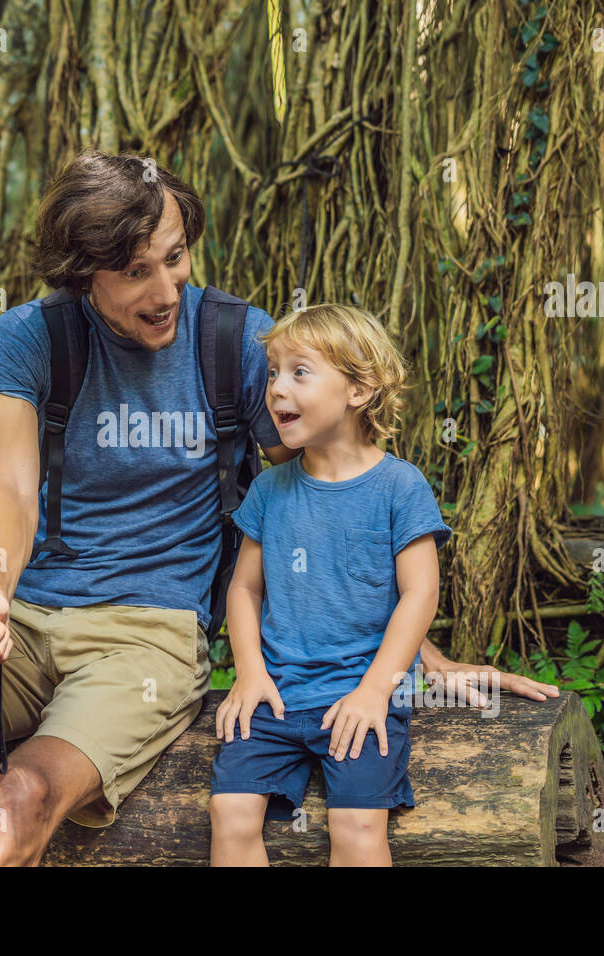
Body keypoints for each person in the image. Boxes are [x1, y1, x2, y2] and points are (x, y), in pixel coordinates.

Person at [0, 147, 558, 867]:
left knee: (16, 801)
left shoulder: (238, 345)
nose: (165, 290)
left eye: (175, 256)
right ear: (81, 272)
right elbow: (7, 484)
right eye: (134, 271)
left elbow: (320, 506)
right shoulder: (27, 338)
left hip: (147, 639)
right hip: (27, 618)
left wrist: (420, 660)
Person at [210, 303, 448, 866]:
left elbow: (421, 594)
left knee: (358, 824)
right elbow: (244, 590)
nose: (276, 389)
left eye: (299, 371)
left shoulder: (400, 487)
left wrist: (374, 691)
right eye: (272, 373)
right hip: (276, 695)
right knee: (230, 814)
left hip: (361, 691)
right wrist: (249, 671)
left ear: (359, 389)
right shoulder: (269, 492)